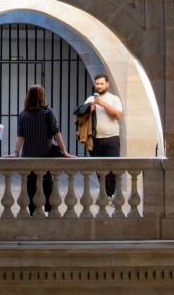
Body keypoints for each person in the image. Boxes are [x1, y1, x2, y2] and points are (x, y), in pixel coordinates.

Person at [12, 84, 75, 215]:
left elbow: (20, 137)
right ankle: (48, 208)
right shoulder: (48, 113)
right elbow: (56, 134)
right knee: (47, 183)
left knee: (30, 184)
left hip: (29, 156)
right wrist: (65, 152)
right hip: (45, 155)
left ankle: (31, 210)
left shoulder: (23, 115)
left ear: (28, 97)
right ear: (42, 96)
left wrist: (15, 153)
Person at [83, 74, 122, 197]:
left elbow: (118, 115)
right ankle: (104, 193)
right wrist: (90, 109)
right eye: (97, 84)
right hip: (95, 139)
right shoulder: (90, 99)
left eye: (101, 83)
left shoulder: (114, 99)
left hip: (112, 139)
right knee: (99, 169)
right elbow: (81, 117)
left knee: (111, 168)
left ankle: (110, 195)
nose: (99, 86)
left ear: (107, 84)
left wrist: (103, 104)